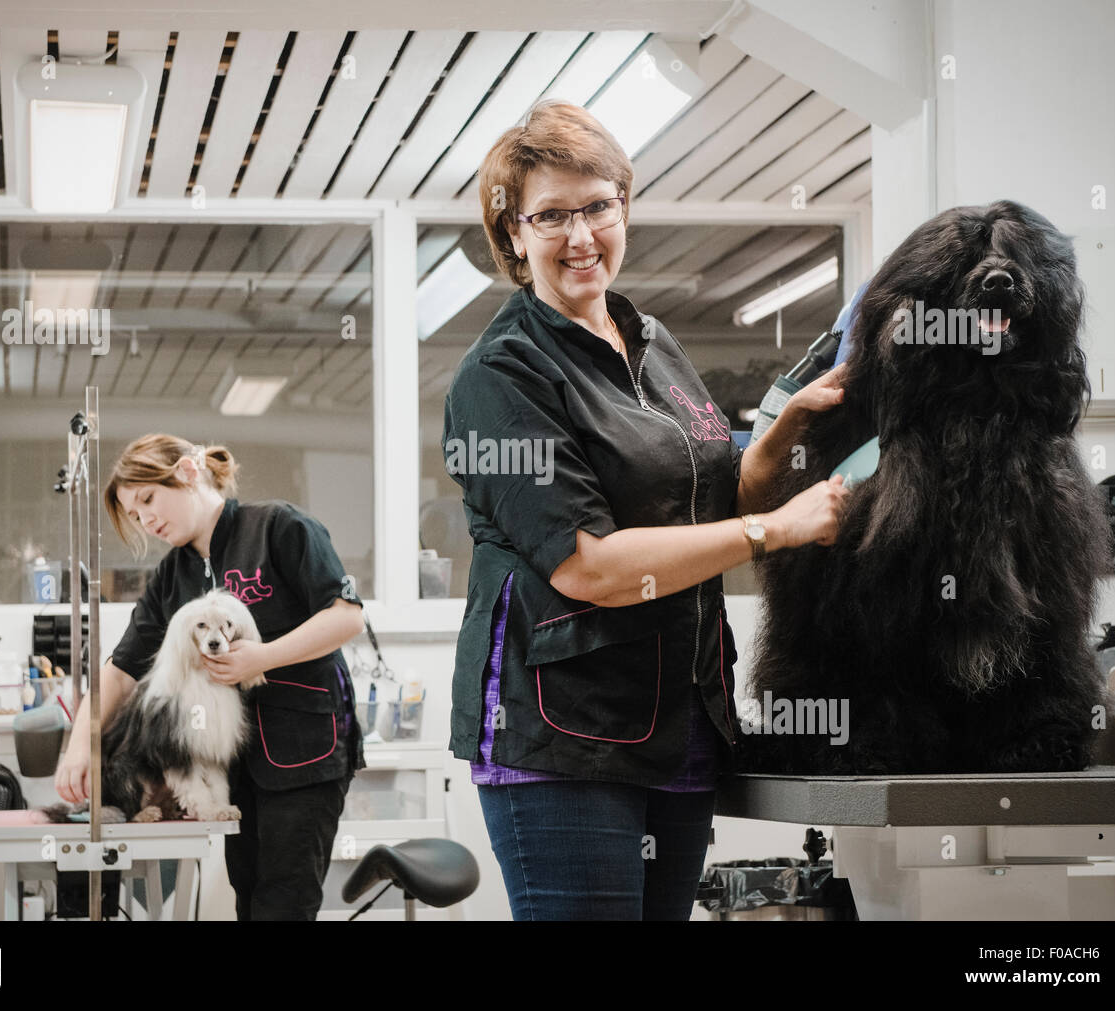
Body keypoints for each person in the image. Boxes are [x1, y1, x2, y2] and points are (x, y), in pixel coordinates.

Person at [442, 101, 849, 920]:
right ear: (513, 234)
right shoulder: (502, 375)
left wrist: (789, 427)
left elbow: (717, 492)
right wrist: (776, 530)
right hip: (565, 737)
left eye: (598, 205)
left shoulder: (654, 343)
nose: (581, 234)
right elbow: (587, 564)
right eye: (551, 214)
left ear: (624, 206)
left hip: (681, 718)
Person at [54, 434, 366, 920]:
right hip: (229, 766)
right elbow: (121, 670)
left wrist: (260, 658)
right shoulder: (171, 577)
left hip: (305, 752)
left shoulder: (278, 528)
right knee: (249, 896)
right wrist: (80, 746)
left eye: (148, 500)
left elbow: (346, 618)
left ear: (187, 471)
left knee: (285, 902)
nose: (147, 520)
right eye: (135, 516)